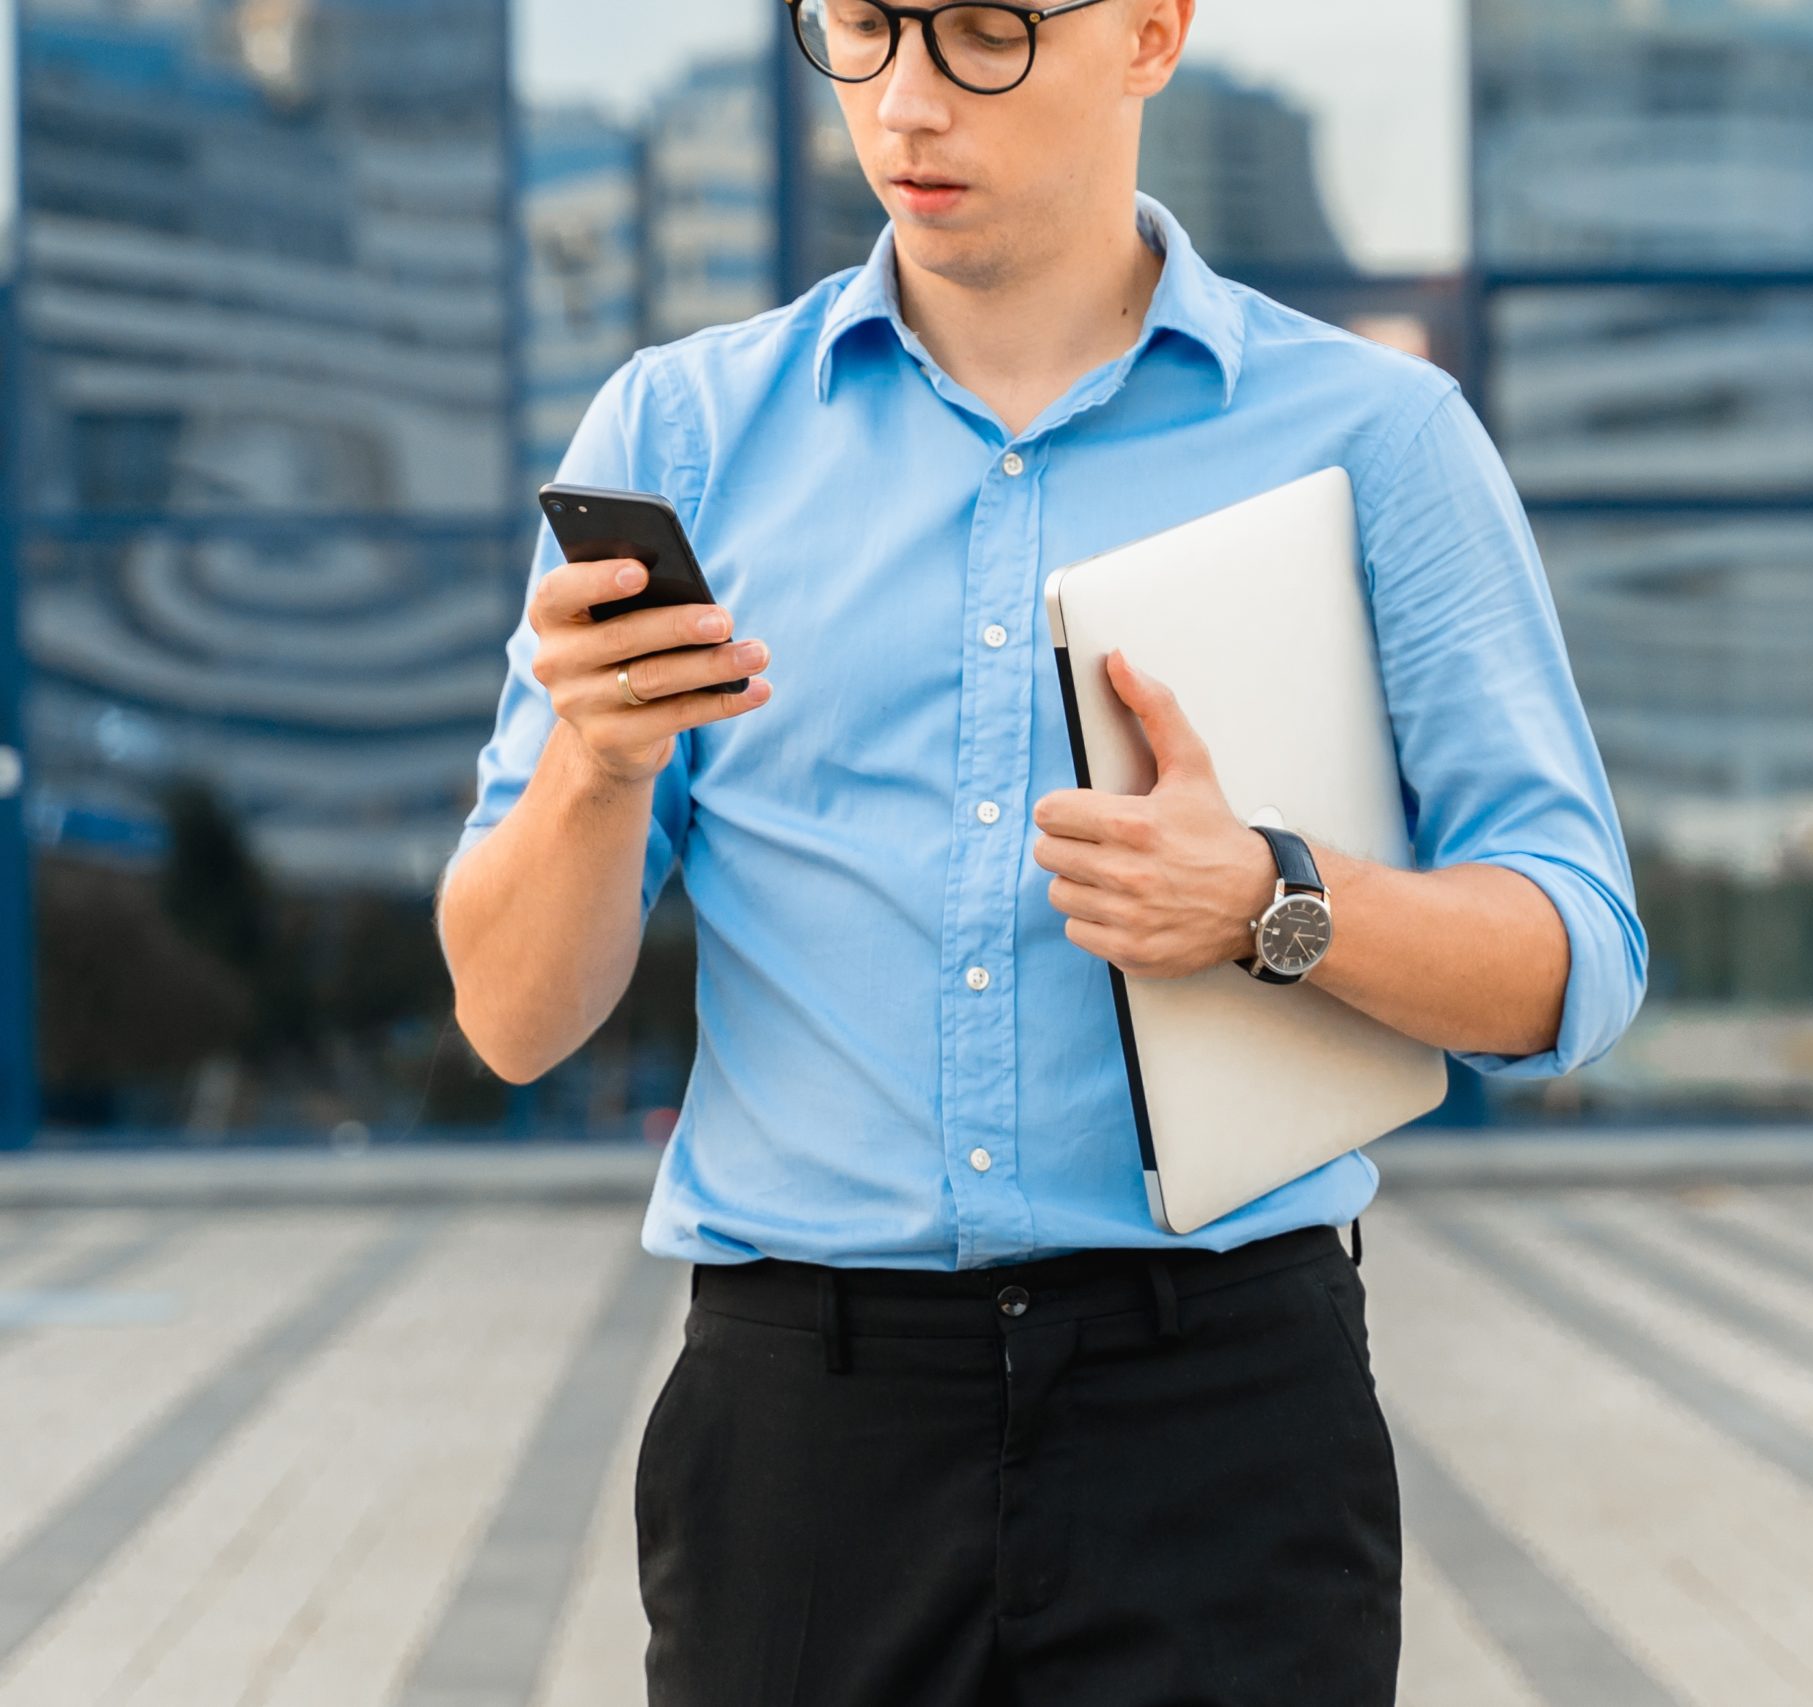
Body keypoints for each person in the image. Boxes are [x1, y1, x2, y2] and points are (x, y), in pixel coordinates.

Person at [434, 1, 1648, 1700]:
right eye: (858, 30)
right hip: (804, 1440)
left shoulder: (1378, 439)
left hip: (1221, 1423)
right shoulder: (681, 439)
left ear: (1152, 30)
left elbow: (1576, 959)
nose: (906, 105)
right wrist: (595, 768)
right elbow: (510, 1018)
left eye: (985, 36)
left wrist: (1273, 901)